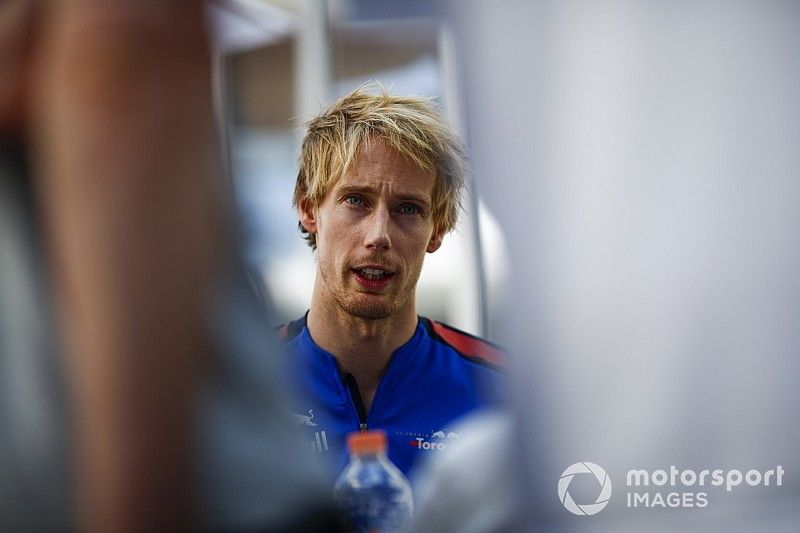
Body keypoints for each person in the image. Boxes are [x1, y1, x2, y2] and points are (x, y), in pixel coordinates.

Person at [279, 86, 507, 478]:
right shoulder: (241, 389)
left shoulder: (503, 391)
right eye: (356, 200)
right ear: (308, 209)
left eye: (408, 208)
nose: (379, 235)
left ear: (437, 231)